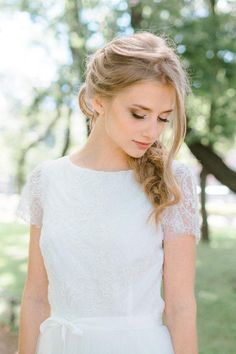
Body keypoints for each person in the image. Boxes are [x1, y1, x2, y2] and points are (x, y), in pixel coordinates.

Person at [15, 31, 201, 354]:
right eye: (139, 114)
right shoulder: (46, 180)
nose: (152, 131)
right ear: (98, 100)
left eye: (163, 118)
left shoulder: (174, 181)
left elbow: (180, 306)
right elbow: (34, 297)